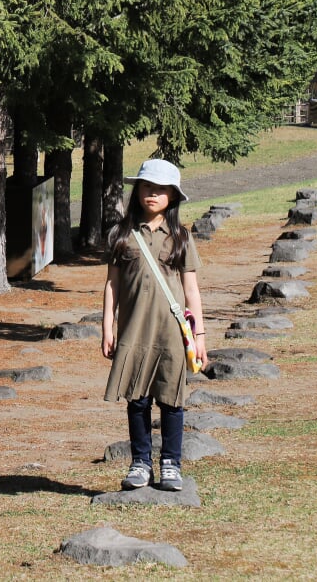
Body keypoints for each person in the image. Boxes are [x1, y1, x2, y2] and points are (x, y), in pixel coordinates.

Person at [102, 158, 208, 492]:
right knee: (137, 399)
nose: (152, 194)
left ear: (172, 197)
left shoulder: (180, 237)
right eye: (147, 187)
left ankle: (171, 464)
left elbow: (191, 290)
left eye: (161, 189)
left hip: (172, 333)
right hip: (133, 332)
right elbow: (112, 285)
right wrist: (108, 326)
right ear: (137, 192)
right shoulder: (121, 235)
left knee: (171, 399)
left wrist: (200, 336)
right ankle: (140, 463)